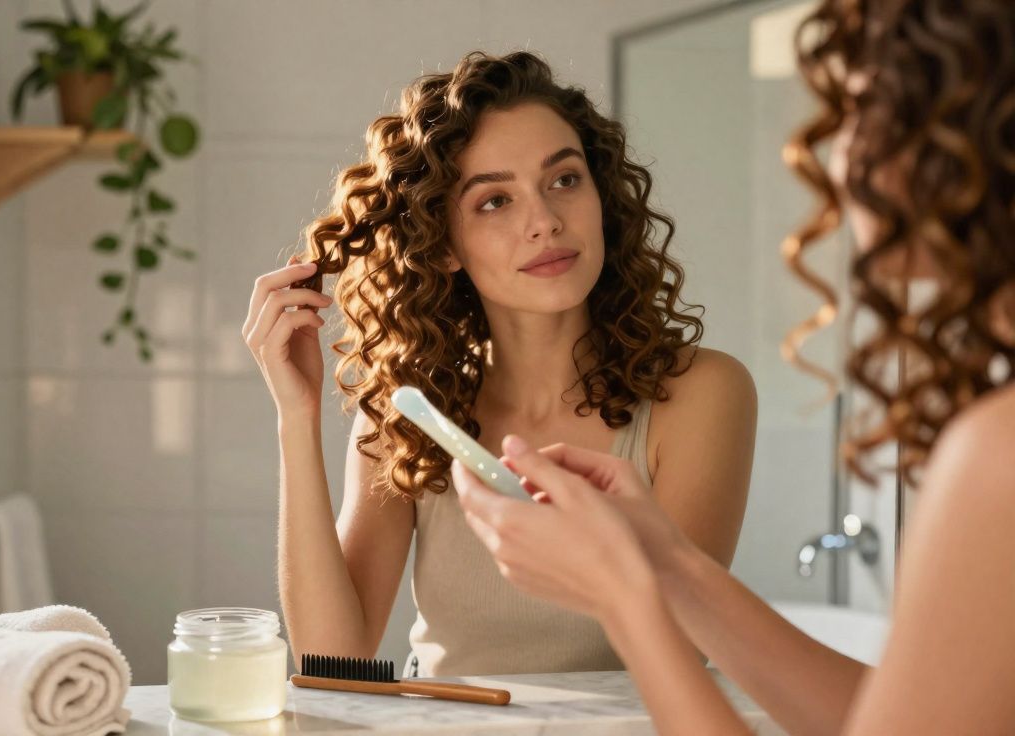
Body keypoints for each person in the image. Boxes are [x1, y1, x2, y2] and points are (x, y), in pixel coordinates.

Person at [454, 1, 1015, 732]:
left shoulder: (997, 454)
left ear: (954, 141)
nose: (835, 153)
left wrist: (624, 597)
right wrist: (666, 563)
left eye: (855, 109)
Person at [242, 50, 757, 677]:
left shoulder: (702, 393)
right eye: (494, 201)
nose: (545, 222)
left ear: (601, 196)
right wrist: (295, 418)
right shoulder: (412, 415)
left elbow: (680, 649)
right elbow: (334, 664)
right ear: (444, 245)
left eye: (564, 180)